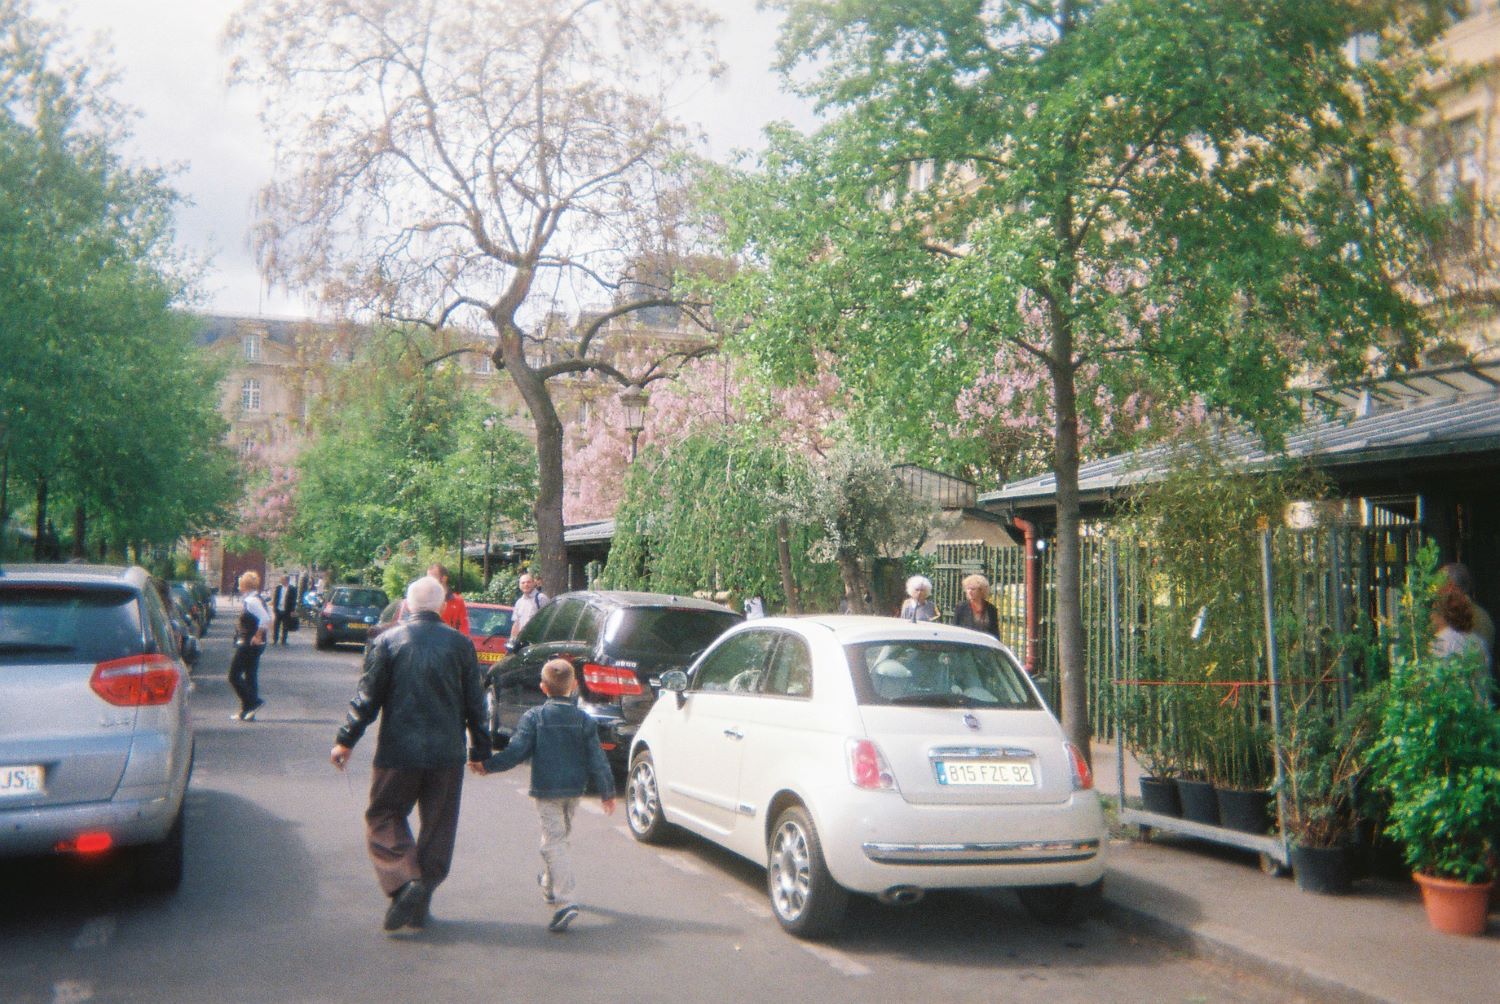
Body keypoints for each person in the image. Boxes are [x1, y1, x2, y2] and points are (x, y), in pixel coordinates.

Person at [330, 575, 491, 932]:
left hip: (398, 750)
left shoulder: (387, 641)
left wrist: (346, 739)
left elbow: (367, 698)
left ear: (406, 604)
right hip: (446, 754)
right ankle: (421, 899)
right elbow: (476, 704)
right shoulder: (461, 645)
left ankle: (405, 880)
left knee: (384, 814)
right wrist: (481, 748)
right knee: (439, 825)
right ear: (443, 605)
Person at [470, 658, 615, 933]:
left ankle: (566, 901)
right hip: (573, 791)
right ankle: (549, 885)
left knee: (552, 844)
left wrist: (487, 766)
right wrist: (607, 791)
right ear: (574, 686)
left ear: (542, 688)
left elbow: (515, 753)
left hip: (547, 790)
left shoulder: (534, 717)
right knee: (558, 839)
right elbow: (598, 759)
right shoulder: (584, 720)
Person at [1431, 582, 1492, 708]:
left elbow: (1436, 687)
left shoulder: (1440, 642)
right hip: (1480, 715)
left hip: (1454, 715)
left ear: (1440, 613)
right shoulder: (1478, 641)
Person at [228, 571, 272, 721]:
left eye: (240, 583)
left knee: (233, 675)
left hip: (250, 643)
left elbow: (265, 618)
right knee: (250, 675)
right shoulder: (258, 598)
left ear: (244, 585)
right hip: (256, 643)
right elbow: (270, 617)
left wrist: (258, 635)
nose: (238, 586)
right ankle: (246, 710)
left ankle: (253, 702)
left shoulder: (252, 601)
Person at [952, 573, 1001, 639]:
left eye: (973, 589)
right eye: (968, 589)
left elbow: (995, 633)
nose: (969, 591)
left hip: (984, 646)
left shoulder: (991, 609)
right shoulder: (961, 607)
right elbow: (955, 629)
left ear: (981, 590)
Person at [510, 571, 550, 643]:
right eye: (523, 583)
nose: (526, 584)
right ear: (519, 585)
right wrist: (512, 641)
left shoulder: (541, 598)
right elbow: (516, 624)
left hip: (537, 642)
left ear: (534, 583)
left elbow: (548, 620)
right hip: (522, 642)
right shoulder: (519, 602)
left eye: (528, 582)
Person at [271, 574, 298, 645]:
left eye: (282, 579)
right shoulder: (278, 588)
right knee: (276, 625)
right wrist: (274, 607)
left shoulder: (292, 589)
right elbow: (275, 597)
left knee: (285, 625)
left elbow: (293, 600)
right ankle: (275, 640)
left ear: (287, 580)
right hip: (278, 609)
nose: (281, 581)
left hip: (287, 610)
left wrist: (292, 610)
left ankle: (283, 640)